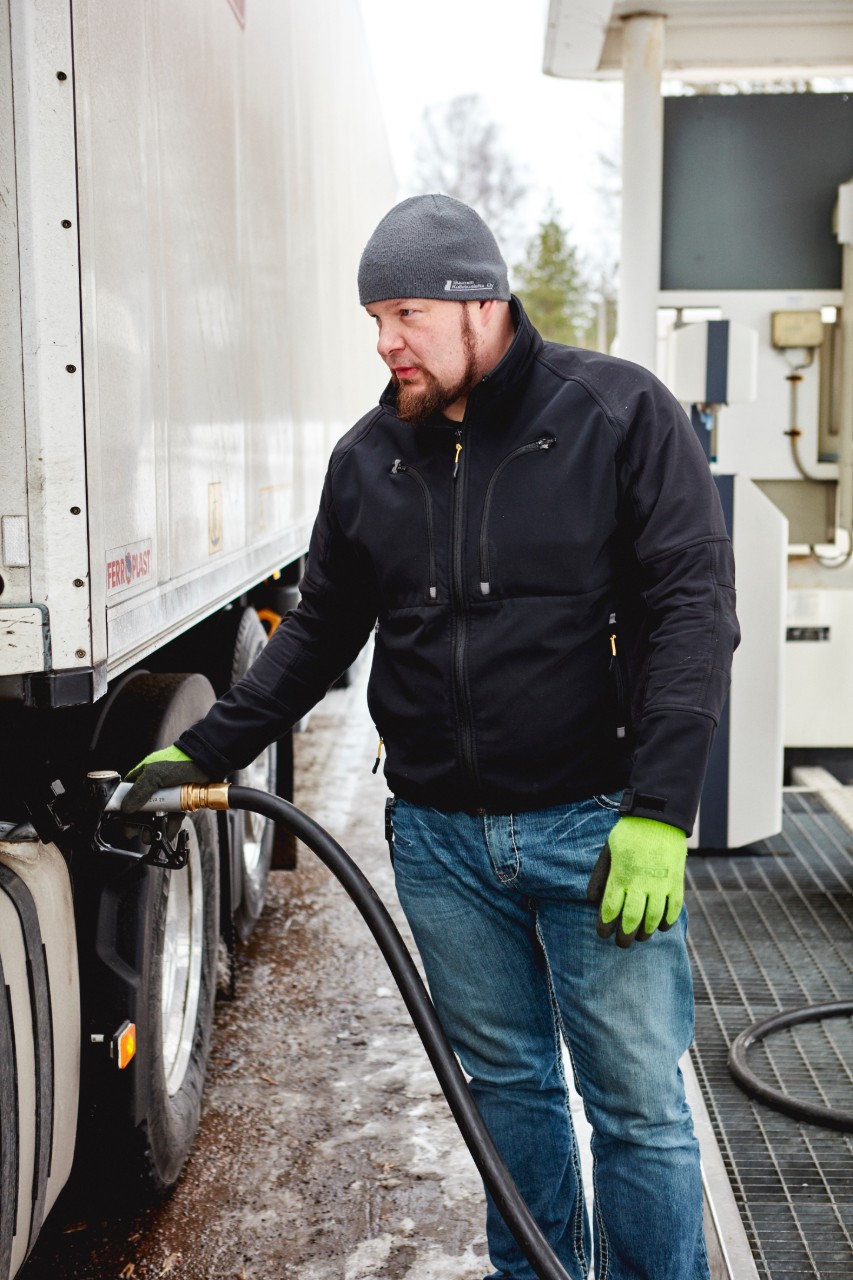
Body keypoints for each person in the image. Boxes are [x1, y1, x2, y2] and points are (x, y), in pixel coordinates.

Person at [125, 194, 739, 1280]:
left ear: (480, 302)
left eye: (402, 313)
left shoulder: (618, 415)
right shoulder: (372, 457)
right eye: (372, 318)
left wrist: (659, 808)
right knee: (506, 1092)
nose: (384, 342)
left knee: (636, 1103)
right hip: (443, 846)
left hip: (596, 828)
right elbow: (316, 632)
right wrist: (207, 748)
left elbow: (694, 608)